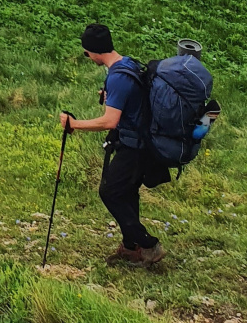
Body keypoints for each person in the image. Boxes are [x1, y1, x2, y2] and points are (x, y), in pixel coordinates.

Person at [59, 22, 169, 266]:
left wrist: (74, 125)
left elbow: (110, 121)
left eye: (86, 53)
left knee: (109, 192)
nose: (87, 57)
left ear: (94, 51)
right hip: (139, 142)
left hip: (134, 147)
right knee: (126, 192)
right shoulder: (127, 63)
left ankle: (149, 245)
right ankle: (131, 248)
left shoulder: (118, 78)